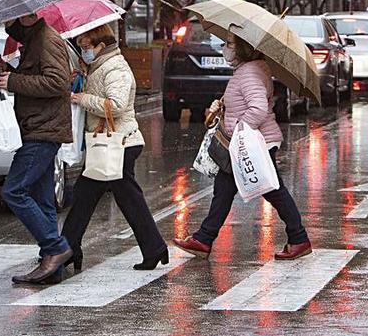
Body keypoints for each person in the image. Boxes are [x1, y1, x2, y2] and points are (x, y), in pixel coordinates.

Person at [173, 34, 312, 261]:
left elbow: (257, 108)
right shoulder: (248, 71)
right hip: (248, 143)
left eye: (230, 44)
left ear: (244, 49)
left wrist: (239, 130)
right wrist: (222, 104)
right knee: (224, 189)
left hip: (255, 144)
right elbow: (246, 102)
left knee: (273, 191)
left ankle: (299, 238)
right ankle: (204, 239)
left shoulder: (249, 72)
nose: (225, 48)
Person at [61, 25, 168, 271]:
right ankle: (70, 248)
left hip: (118, 143)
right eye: (81, 46)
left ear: (101, 45)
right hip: (109, 143)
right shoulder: (97, 66)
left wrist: (82, 99)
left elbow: (117, 105)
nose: (83, 51)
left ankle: (68, 249)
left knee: (93, 198)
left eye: (87, 47)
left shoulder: (115, 67)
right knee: (94, 198)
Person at [0, 13, 74, 284]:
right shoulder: (33, 39)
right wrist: (10, 74)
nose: (9, 24)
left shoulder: (46, 40)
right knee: (42, 200)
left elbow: (57, 83)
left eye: (11, 18)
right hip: (37, 127)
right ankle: (53, 267)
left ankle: (56, 248)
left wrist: (13, 82)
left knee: (14, 191)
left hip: (43, 130)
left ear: (27, 15)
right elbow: (38, 79)